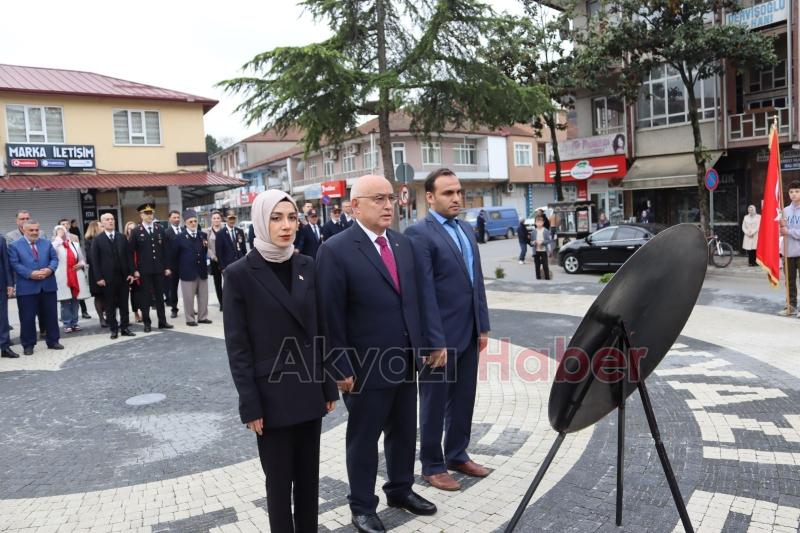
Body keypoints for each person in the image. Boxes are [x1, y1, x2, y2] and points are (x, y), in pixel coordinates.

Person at [317, 174, 437, 533]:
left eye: (391, 198)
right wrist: (339, 367)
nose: (388, 205)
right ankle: (362, 507)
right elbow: (329, 315)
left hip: (403, 361)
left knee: (403, 432)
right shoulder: (335, 250)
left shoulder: (402, 246)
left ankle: (400, 490)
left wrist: (424, 347)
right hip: (364, 368)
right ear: (355, 205)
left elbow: (414, 302)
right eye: (378, 199)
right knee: (364, 439)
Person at [224, 190, 338, 533]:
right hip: (270, 398)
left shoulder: (307, 264)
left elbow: (320, 327)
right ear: (261, 221)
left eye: (291, 217)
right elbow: (238, 346)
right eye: (276, 218)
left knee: (308, 480)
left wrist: (327, 382)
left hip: (307, 391)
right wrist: (250, 404)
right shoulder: (239, 273)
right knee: (278, 484)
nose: (286, 225)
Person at [405, 168, 491, 493]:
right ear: (430, 197)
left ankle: (456, 454)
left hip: (468, 333)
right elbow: (423, 293)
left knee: (464, 398)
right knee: (434, 401)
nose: (456, 198)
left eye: (458, 192)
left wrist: (482, 325)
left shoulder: (466, 229)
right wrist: (433, 342)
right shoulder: (419, 234)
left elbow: (476, 283)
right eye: (448, 193)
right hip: (438, 339)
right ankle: (432, 465)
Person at [8, 220, 63, 355]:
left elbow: (54, 259)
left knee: (51, 316)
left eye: (36, 230)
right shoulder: (14, 245)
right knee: (27, 317)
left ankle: (53, 341)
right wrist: (30, 273)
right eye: (31, 230)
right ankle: (28, 345)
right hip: (27, 288)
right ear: (24, 230)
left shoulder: (46, 243)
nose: (34, 232)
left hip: (47, 285)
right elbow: (14, 264)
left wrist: (50, 269)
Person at [91, 213, 136, 339]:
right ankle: (113, 329)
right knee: (110, 305)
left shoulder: (122, 237)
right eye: (107, 220)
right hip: (107, 279)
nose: (110, 221)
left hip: (123, 277)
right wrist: (99, 278)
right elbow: (95, 261)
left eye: (112, 219)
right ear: (102, 223)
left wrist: (131, 273)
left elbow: (129, 257)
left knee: (124, 304)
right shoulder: (98, 240)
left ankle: (125, 327)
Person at [129, 204, 173, 332]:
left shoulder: (159, 229)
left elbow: (165, 250)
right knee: (145, 297)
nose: (149, 215)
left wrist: (167, 266)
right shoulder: (136, 231)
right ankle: (147, 323)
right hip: (144, 270)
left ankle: (162, 321)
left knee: (160, 296)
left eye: (151, 213)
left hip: (159, 269)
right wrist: (134, 270)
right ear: (141, 215)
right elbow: (130, 253)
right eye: (146, 213)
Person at [171, 210, 212, 327]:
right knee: (188, 298)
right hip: (187, 272)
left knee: (203, 296)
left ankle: (203, 317)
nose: (193, 223)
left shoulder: (202, 235)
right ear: (185, 223)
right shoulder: (179, 238)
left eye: (195, 221)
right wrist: (176, 270)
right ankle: (190, 319)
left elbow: (205, 251)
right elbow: (174, 256)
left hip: (202, 271)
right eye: (191, 221)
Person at [52, 225, 90, 334]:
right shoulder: (55, 245)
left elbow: (82, 259)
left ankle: (75, 322)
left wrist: (81, 264)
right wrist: (58, 238)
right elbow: (51, 252)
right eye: (59, 231)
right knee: (65, 301)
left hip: (76, 275)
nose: (62, 233)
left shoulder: (75, 244)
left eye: (63, 231)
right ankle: (67, 323)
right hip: (62, 276)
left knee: (75, 300)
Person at [59, 218, 91, 319]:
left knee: (78, 294)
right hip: (64, 272)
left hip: (75, 269)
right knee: (65, 296)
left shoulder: (74, 237)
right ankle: (66, 316)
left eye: (66, 224)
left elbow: (79, 253)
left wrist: (81, 263)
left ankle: (83, 311)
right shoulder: (55, 239)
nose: (65, 225)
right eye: (62, 224)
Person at [779, 180, 800, 317]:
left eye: (797, 191)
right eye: (791, 192)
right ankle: (791, 306)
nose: (794, 194)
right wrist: (780, 228)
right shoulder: (784, 211)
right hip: (787, 251)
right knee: (790, 281)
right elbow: (780, 231)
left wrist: (789, 231)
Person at [84, 221, 107, 327]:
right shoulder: (89, 241)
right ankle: (101, 319)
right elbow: (90, 257)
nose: (104, 227)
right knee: (98, 296)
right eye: (101, 226)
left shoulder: (105, 238)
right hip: (96, 272)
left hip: (108, 272)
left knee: (108, 295)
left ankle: (109, 316)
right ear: (95, 228)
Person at [0, 237, 19, 358]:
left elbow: (6, 262)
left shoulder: (1, 240)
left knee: (2, 317)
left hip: (0, 285)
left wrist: (10, 283)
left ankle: (4, 346)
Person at [163, 210, 183, 318]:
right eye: (174, 217)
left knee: (188, 288)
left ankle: (190, 308)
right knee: (173, 289)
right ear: (169, 219)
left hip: (185, 265)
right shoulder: (166, 233)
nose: (177, 219)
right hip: (173, 267)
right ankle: (174, 309)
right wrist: (167, 267)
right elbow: (165, 251)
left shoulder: (185, 230)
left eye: (178, 217)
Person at [123, 221, 143, 323]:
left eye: (133, 228)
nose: (131, 230)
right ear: (126, 230)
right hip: (130, 270)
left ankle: (144, 311)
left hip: (141, 269)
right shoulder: (123, 240)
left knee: (143, 292)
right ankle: (136, 313)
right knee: (134, 294)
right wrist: (132, 271)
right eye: (129, 228)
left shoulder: (140, 239)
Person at [206, 210, 224, 311]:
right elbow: (207, 247)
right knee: (217, 283)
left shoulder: (225, 230)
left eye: (218, 218)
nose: (216, 220)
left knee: (228, 282)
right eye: (214, 218)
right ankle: (221, 303)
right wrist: (213, 256)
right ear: (211, 220)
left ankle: (227, 300)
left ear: (220, 219)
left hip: (225, 260)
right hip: (214, 260)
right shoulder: (207, 231)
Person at [531, 214, 554, 280]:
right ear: (535, 223)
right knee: (537, 266)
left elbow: (549, 240)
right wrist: (534, 242)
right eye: (537, 222)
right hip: (536, 251)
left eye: (540, 222)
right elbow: (531, 242)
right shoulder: (533, 232)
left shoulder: (546, 231)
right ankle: (538, 279)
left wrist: (542, 242)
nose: (539, 223)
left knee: (545, 266)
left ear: (543, 222)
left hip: (544, 251)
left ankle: (547, 279)